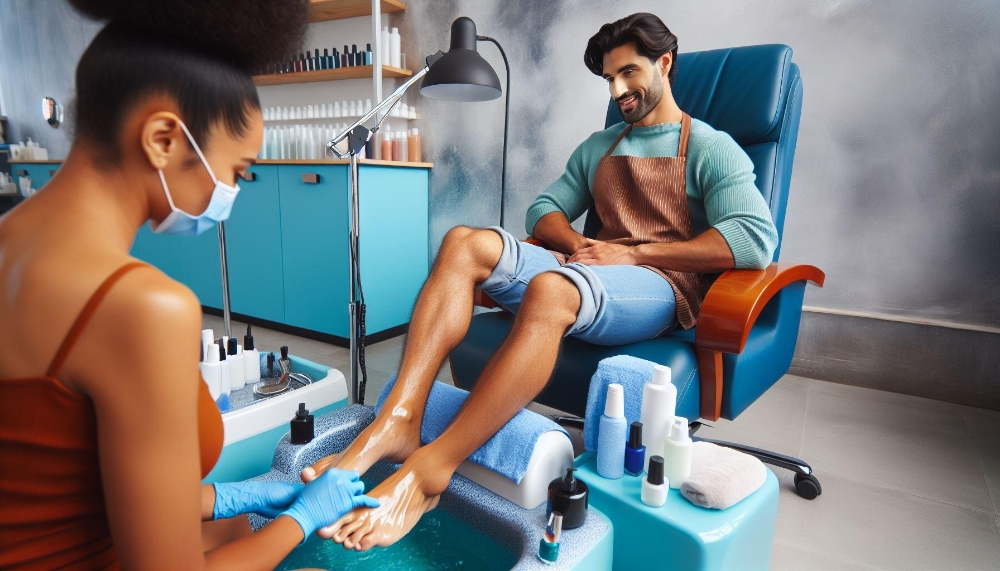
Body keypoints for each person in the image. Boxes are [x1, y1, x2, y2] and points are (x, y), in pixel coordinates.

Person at [301, 12, 780, 551]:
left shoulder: (712, 149)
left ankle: (434, 467)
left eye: (629, 73)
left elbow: (753, 239)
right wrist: (577, 247)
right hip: (592, 269)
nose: (618, 88)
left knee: (550, 290)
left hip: (660, 284)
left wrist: (636, 255)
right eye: (608, 79)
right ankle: (397, 421)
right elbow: (545, 210)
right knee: (464, 242)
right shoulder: (600, 148)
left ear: (664, 63)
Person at [0, 1, 377, 568]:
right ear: (162, 138)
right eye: (237, 172)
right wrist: (301, 521)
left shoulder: (13, 240)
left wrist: (230, 496)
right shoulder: (139, 307)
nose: (233, 192)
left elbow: (53, 480)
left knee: (232, 530)